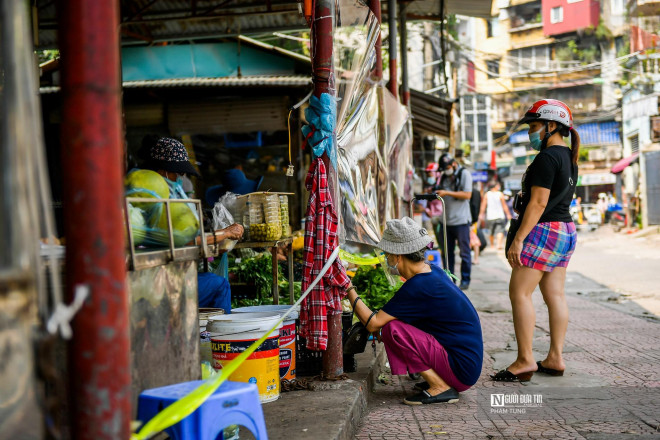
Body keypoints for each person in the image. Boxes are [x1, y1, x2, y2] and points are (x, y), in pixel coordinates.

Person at [345, 217, 483, 405]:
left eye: (387, 255)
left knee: (391, 329)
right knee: (392, 324)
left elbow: (373, 324)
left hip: (460, 370)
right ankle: (438, 380)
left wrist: (348, 288)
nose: (387, 259)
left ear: (397, 256)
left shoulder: (419, 285)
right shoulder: (432, 272)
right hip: (466, 365)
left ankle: (440, 386)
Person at [491, 99, 579, 382]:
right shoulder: (568, 157)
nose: (531, 132)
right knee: (555, 294)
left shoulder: (546, 157)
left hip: (544, 229)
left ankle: (525, 359)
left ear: (551, 126)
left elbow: (538, 203)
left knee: (520, 293)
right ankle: (555, 357)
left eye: (534, 126)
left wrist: (519, 239)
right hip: (565, 229)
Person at [144, 137, 244, 312]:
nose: (180, 178)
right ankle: (218, 339)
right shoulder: (156, 201)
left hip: (164, 274)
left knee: (208, 279)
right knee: (219, 284)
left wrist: (216, 243)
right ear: (162, 171)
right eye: (177, 173)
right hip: (161, 282)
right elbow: (184, 241)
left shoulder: (153, 195)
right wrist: (225, 233)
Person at [433, 153, 473, 290]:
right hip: (446, 221)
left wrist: (447, 193)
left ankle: (465, 280)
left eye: (448, 167)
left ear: (454, 164)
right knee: (447, 253)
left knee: (464, 253)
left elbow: (467, 195)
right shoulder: (444, 176)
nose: (447, 170)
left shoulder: (464, 174)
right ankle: (450, 281)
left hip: (461, 221)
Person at [479, 181, 511, 250]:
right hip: (500, 215)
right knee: (500, 230)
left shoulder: (487, 194)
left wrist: (481, 214)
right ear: (495, 186)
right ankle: (498, 245)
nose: (499, 187)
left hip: (490, 216)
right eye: (498, 185)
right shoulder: (500, 194)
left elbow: (483, 206)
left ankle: (492, 245)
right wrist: (508, 214)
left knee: (491, 231)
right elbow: (504, 205)